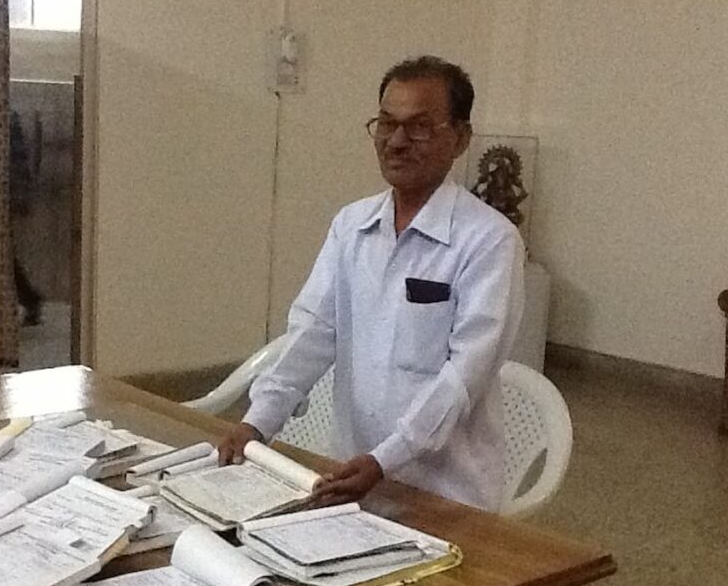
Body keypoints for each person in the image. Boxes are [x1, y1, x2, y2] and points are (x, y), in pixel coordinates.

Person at [218, 55, 524, 512]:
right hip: (348, 481)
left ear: (460, 138)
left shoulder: (489, 241)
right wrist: (257, 423)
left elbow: (463, 378)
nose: (397, 141)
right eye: (386, 124)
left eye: (419, 127)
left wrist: (385, 460)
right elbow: (313, 333)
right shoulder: (352, 225)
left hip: (447, 497)